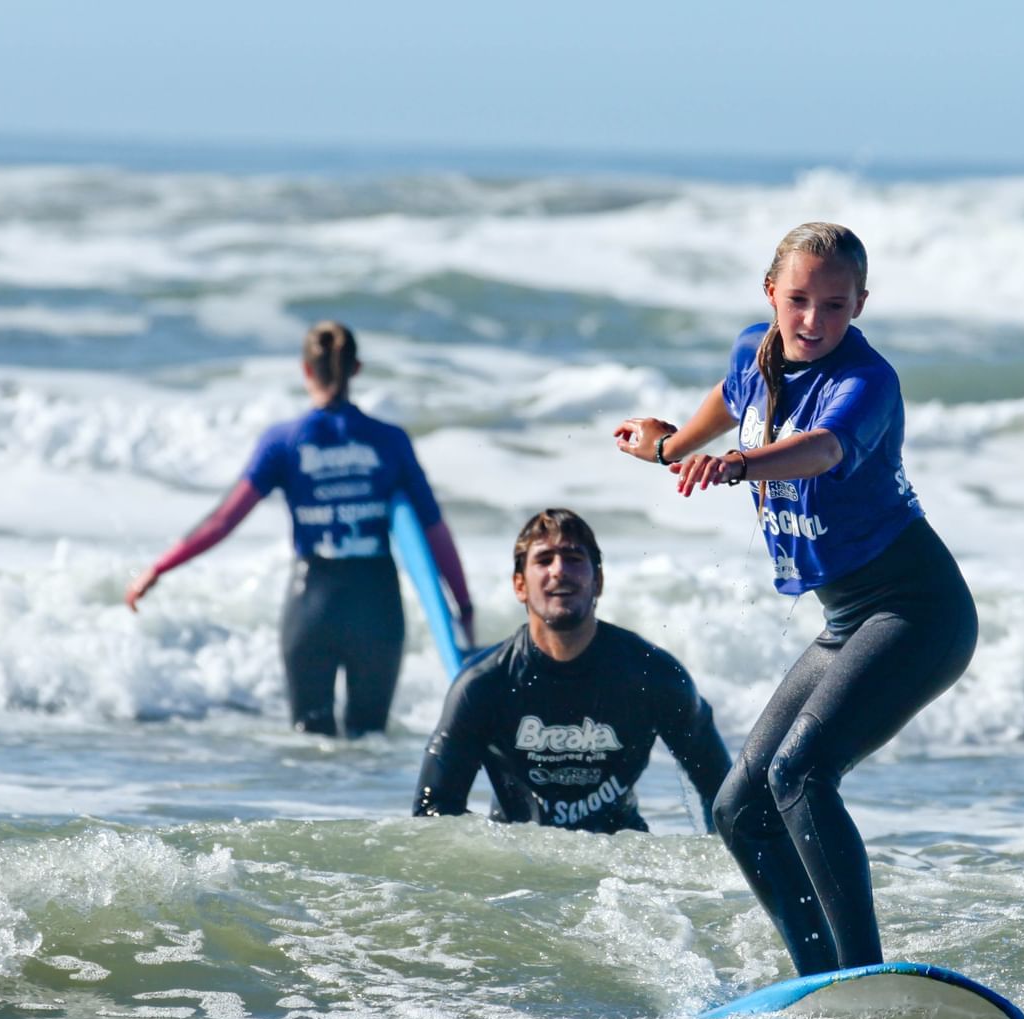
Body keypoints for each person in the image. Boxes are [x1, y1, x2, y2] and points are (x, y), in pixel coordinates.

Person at [611, 222, 976, 977]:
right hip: (847, 621)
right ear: (770, 293)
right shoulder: (755, 349)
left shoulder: (866, 384)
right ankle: (820, 980)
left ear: (861, 305)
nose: (814, 321)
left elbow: (822, 449)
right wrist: (670, 448)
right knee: (740, 805)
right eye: (799, 300)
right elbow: (731, 394)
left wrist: (738, 464)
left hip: (917, 611)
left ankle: (865, 979)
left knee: (801, 774)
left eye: (836, 306)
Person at [126, 321, 473, 738]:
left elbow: (224, 520)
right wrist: (463, 607)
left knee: (311, 746)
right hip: (376, 604)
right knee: (369, 742)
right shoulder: (389, 441)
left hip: (312, 603)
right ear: (356, 369)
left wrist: (159, 568)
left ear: (306, 371)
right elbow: (433, 531)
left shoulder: (284, 442)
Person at [413, 508, 731, 833]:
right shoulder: (484, 684)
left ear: (599, 581)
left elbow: (724, 795)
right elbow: (433, 812)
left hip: (625, 869)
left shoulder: (652, 676)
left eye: (573, 557)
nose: (559, 570)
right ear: (520, 585)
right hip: (518, 869)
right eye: (544, 559)